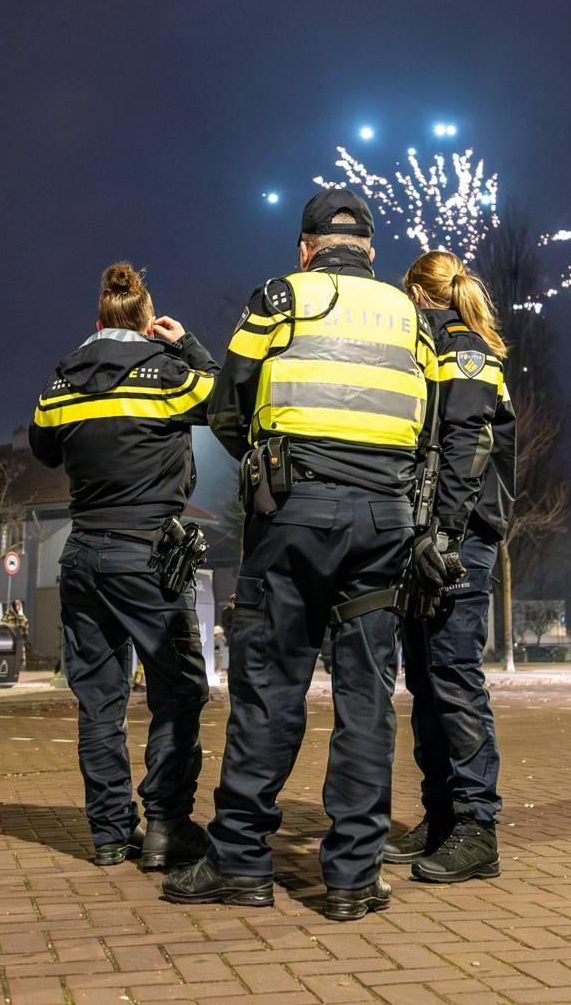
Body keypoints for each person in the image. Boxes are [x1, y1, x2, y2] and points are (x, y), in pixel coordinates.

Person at [164, 187, 435, 921]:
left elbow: (228, 402)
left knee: (270, 685)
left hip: (296, 512)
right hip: (385, 519)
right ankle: (352, 877)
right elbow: (430, 421)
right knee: (367, 696)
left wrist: (267, 461)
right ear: (371, 251)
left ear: (305, 247)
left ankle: (242, 862)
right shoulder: (412, 315)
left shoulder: (281, 297)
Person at [30, 261, 217, 869]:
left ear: (96, 322)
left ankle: (110, 834)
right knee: (179, 690)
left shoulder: (60, 384)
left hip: (82, 553)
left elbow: (42, 446)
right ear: (146, 322)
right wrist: (183, 343)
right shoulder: (168, 376)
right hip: (149, 556)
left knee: (100, 702)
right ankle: (165, 825)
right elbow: (225, 396)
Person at [382, 249, 515, 884]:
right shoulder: (442, 346)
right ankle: (440, 818)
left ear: (418, 293)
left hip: (457, 538)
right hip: (432, 536)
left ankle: (475, 827)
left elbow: (467, 445)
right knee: (429, 681)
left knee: (454, 678)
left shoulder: (464, 350)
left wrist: (445, 535)